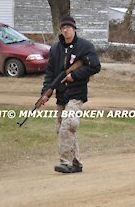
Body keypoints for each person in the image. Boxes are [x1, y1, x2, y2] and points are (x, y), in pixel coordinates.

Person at [40, 15, 101, 173]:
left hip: (77, 92)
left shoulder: (85, 46)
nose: (66, 30)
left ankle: (65, 162)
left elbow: (95, 66)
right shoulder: (55, 49)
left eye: (68, 27)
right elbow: (49, 74)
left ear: (74, 29)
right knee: (60, 128)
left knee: (68, 125)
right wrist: (45, 92)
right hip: (61, 94)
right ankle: (76, 162)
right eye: (63, 28)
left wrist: (75, 75)